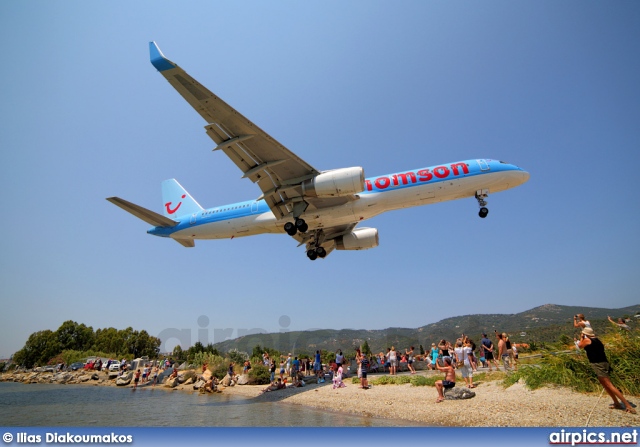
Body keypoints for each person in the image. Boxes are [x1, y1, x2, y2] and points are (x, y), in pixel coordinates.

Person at [576, 327, 636, 414]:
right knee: (604, 384)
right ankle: (616, 403)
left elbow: (579, 346)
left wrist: (581, 337)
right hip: (603, 362)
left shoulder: (587, 340)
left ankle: (627, 405)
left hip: (597, 364)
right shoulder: (597, 340)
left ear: (585, 334)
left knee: (608, 384)